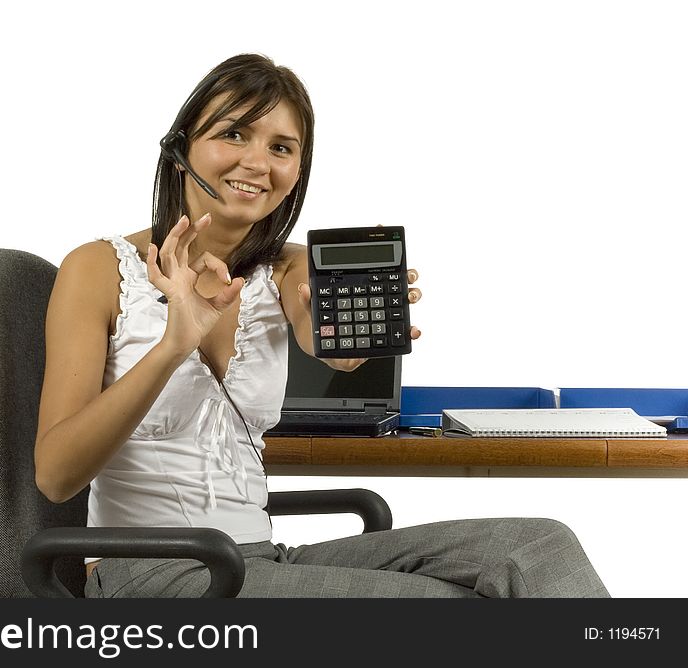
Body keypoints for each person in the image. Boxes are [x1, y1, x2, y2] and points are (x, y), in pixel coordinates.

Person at [34, 53, 610, 598]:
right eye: (233, 134)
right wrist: (171, 346)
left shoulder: (286, 267)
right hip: (146, 573)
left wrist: (344, 345)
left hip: (256, 560)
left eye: (281, 147)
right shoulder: (98, 268)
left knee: (538, 547)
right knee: (443, 609)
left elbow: (320, 330)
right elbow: (56, 476)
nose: (258, 163)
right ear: (183, 146)